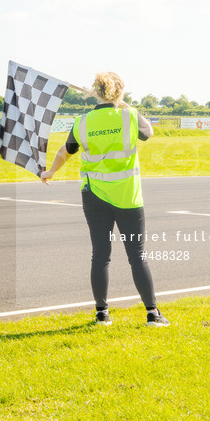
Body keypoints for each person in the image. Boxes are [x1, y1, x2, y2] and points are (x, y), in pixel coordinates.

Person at [40, 71, 169, 327]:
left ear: (95, 93)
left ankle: (102, 314)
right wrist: (125, 104)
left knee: (100, 254)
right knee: (137, 256)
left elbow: (67, 150)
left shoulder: (82, 121)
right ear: (119, 92)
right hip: (127, 197)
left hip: (94, 196)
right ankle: (152, 313)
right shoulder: (129, 115)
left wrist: (51, 171)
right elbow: (148, 133)